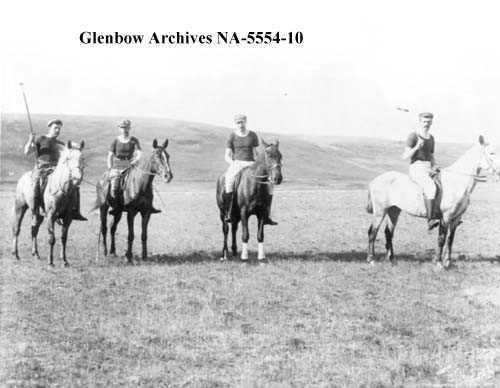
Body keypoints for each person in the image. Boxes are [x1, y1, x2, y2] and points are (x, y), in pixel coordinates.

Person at [24, 119, 87, 220]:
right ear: (50, 128)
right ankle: (36, 213)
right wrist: (30, 140)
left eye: (59, 128)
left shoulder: (60, 143)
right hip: (41, 169)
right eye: (55, 128)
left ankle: (76, 211)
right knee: (36, 185)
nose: (57, 130)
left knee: (74, 186)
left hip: (55, 169)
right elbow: (27, 152)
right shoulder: (40, 139)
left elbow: (69, 153)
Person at [223, 114, 277, 225]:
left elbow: (257, 152)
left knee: (270, 184)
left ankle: (267, 214)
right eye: (238, 122)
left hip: (251, 164)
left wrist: (259, 164)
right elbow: (227, 155)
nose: (240, 124)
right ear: (235, 124)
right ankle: (229, 212)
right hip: (237, 163)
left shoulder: (252, 135)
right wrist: (233, 164)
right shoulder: (232, 136)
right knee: (229, 180)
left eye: (242, 122)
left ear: (246, 122)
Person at [107, 119, 161, 215]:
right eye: (122, 127)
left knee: (143, 182)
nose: (124, 129)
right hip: (118, 165)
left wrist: (136, 160)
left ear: (129, 128)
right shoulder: (115, 141)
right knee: (115, 182)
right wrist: (110, 169)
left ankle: (149, 205)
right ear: (119, 128)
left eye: (126, 127)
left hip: (131, 164)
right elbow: (110, 156)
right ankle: (116, 206)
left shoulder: (133, 140)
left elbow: (139, 152)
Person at [403, 112, 440, 230]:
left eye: (428, 122)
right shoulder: (413, 136)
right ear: (420, 122)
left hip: (428, 167)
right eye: (424, 121)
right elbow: (405, 156)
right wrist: (416, 147)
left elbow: (432, 155)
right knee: (430, 187)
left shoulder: (431, 138)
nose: (426, 124)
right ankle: (430, 219)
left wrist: (435, 166)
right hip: (416, 168)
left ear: (432, 123)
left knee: (444, 183)